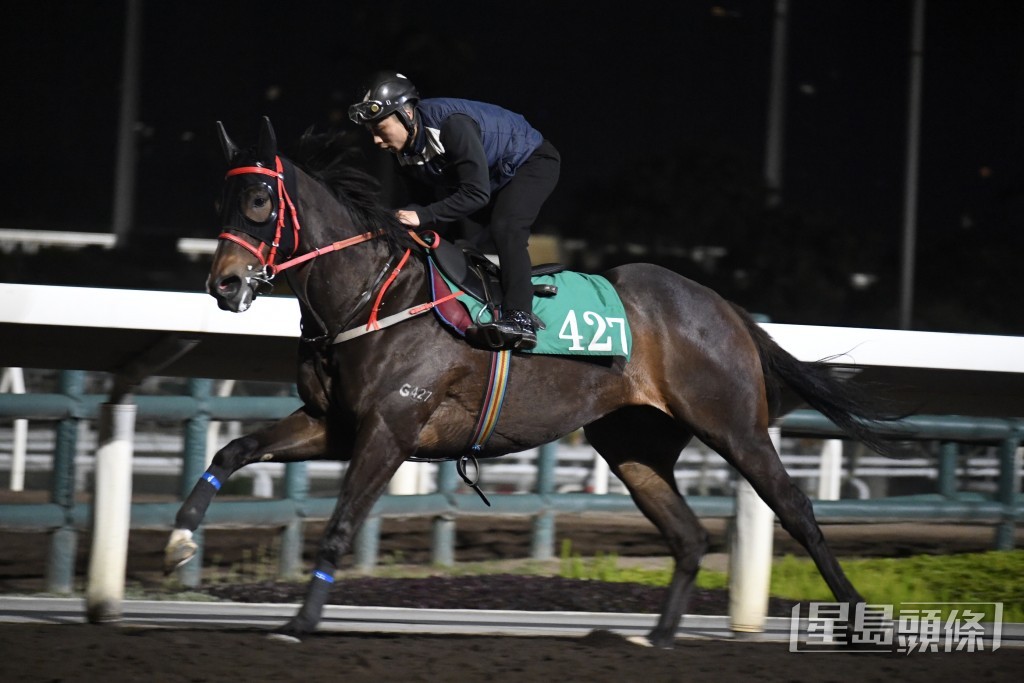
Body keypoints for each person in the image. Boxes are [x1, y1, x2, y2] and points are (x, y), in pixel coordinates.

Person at [348, 71, 561, 351]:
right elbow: (425, 207)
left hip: (531, 161)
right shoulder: (403, 150)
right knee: (454, 238)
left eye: (380, 128)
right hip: (490, 177)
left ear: (407, 114)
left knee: (506, 227)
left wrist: (421, 215)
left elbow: (476, 194)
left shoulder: (452, 126)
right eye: (371, 132)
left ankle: (520, 317)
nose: (376, 140)